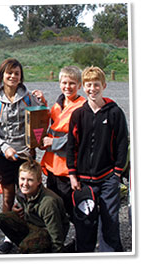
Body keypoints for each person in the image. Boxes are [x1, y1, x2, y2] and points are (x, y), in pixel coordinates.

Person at [0, 58, 46, 253]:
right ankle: (8, 235)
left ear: (21, 77)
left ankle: (30, 233)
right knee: (8, 196)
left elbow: (42, 120)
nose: (12, 76)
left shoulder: (29, 98)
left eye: (16, 73)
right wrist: (4, 148)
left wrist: (43, 102)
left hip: (26, 155)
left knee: (28, 195)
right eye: (9, 73)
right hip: (5, 156)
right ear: (2, 75)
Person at [66, 66, 128, 252]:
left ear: (104, 86)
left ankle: (110, 255)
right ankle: (84, 254)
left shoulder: (114, 112)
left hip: (108, 176)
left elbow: (122, 143)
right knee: (85, 221)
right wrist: (72, 175)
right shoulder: (78, 114)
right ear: (83, 87)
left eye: (96, 85)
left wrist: (117, 172)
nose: (92, 89)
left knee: (110, 218)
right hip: (84, 180)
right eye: (88, 85)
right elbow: (71, 146)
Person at [40, 66, 86, 220]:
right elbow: (52, 128)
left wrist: (52, 142)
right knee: (55, 208)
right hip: (52, 167)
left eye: (72, 83)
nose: (68, 86)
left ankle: (81, 241)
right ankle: (58, 241)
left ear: (79, 85)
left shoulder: (82, 108)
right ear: (59, 83)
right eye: (64, 82)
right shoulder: (57, 105)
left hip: (69, 169)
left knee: (72, 209)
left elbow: (78, 139)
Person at [0, 160, 69, 253]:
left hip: (46, 232)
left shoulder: (48, 203)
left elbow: (56, 235)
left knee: (27, 246)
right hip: (33, 225)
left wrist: (55, 255)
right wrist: (17, 212)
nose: (25, 184)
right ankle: (26, 246)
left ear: (39, 181)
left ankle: (37, 250)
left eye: (30, 180)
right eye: (22, 179)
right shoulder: (21, 193)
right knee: (3, 218)